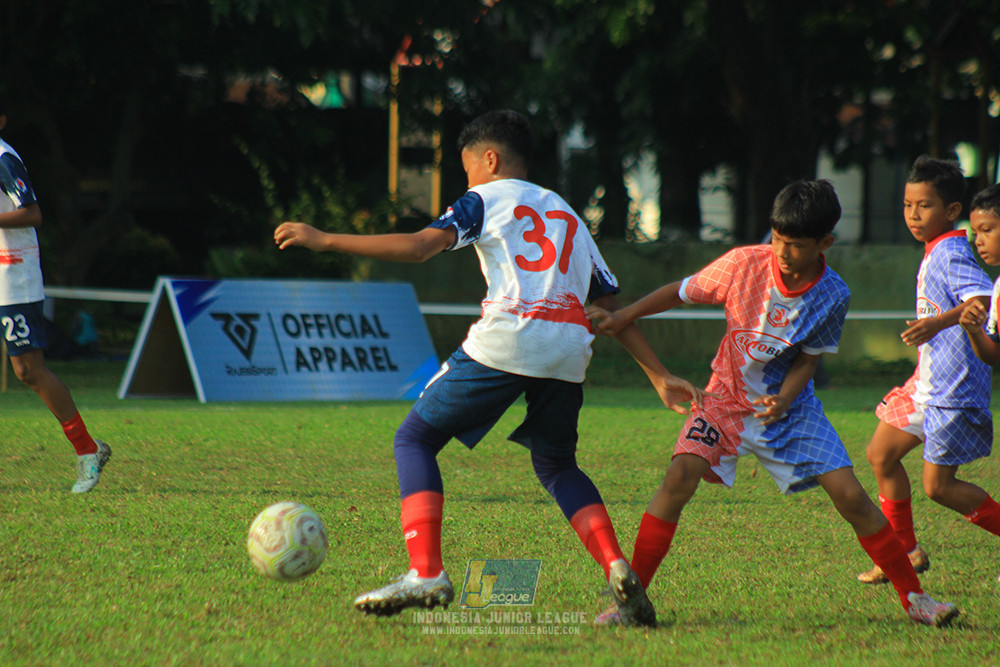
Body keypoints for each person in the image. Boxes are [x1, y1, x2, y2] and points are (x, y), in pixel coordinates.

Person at [274, 109, 703, 627]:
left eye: (467, 168)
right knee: (558, 467)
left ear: (490, 159)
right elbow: (611, 307)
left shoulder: (485, 198)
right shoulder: (567, 213)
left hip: (510, 338)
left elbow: (419, 247)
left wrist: (324, 240)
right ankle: (616, 565)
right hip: (570, 347)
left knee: (414, 440)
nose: (466, 180)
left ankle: (426, 571)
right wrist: (657, 374)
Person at [587, 179, 959, 627]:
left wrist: (783, 399)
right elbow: (678, 290)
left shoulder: (833, 294)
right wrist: (624, 315)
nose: (782, 252)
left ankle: (916, 599)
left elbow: (808, 359)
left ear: (825, 243)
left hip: (790, 412)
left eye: (796, 245)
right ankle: (632, 605)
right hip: (721, 400)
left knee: (852, 497)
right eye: (778, 239)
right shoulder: (743, 263)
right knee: (677, 478)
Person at [857, 157, 998, 587]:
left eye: (924, 206)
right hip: (926, 383)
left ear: (951, 211)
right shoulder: (938, 250)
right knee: (881, 454)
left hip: (952, 388)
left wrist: (936, 323)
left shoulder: (953, 252)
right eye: (907, 205)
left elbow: (981, 301)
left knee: (939, 487)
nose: (913, 215)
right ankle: (905, 551)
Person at [0, 89, 111, 493]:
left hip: (13, 274)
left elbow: (32, 212)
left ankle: (87, 449)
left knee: (28, 370)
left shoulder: (4, 158)